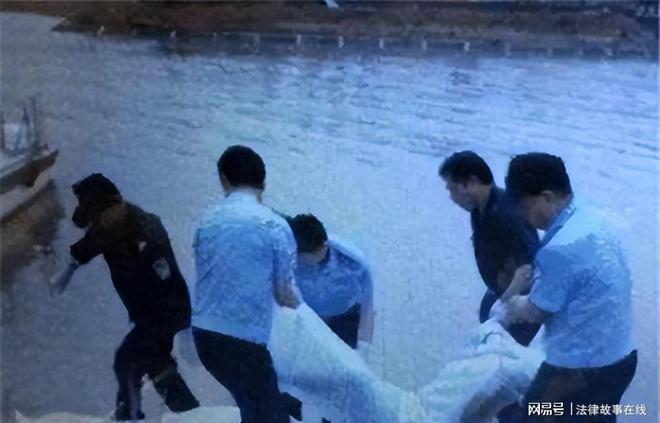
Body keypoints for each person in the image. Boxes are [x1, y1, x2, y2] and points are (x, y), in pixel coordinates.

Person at [496, 153, 637, 422]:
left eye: (523, 205)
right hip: (622, 359)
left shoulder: (559, 248)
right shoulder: (594, 219)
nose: (522, 216)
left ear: (546, 197)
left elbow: (534, 312)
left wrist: (512, 301)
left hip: (577, 372)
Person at [51, 173, 199, 421]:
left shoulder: (146, 231)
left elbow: (168, 279)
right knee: (155, 363)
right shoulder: (109, 226)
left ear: (117, 203)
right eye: (96, 219)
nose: (99, 222)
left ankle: (128, 415)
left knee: (126, 361)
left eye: (101, 216)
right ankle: (193, 414)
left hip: (165, 312)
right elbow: (89, 243)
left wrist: (185, 331)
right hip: (149, 316)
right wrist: (69, 267)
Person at [191, 145, 302, 423]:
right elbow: (284, 294)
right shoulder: (274, 225)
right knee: (270, 417)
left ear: (224, 179)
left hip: (205, 337)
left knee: (254, 408)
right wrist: (303, 307)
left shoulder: (207, 220)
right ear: (263, 182)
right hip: (244, 342)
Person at [438, 151, 541, 346]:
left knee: (503, 353)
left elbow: (528, 268)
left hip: (521, 304)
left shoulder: (509, 212)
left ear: (473, 181)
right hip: (497, 293)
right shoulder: (479, 211)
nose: (452, 198)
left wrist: (504, 304)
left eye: (453, 189)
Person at [288, 214, 374, 349]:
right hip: (309, 314)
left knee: (346, 352)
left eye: (310, 257)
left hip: (345, 315)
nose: (306, 262)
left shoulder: (353, 263)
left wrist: (363, 342)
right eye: (302, 258)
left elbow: (367, 305)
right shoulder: (290, 254)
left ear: (323, 247)